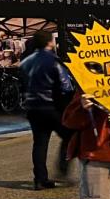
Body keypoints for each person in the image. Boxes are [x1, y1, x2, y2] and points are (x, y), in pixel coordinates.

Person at [19, 30, 74, 189]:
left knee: (40, 143)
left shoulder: (25, 62)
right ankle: (62, 170)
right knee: (69, 136)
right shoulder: (54, 61)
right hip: (52, 107)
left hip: (33, 108)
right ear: (50, 42)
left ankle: (40, 179)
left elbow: (22, 84)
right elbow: (66, 86)